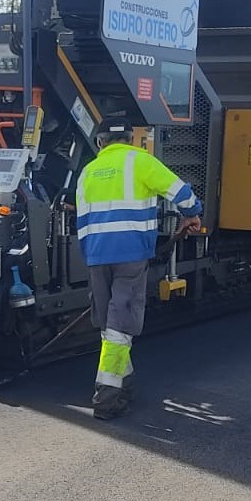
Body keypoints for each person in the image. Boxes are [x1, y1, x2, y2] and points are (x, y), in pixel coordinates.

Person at [76, 117, 202, 419]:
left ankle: (125, 381)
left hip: (96, 254)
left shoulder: (87, 172)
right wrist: (193, 214)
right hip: (130, 254)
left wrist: (91, 255)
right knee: (121, 322)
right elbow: (180, 192)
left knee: (110, 322)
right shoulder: (140, 161)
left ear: (99, 143)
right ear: (132, 139)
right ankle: (107, 396)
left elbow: (81, 222)